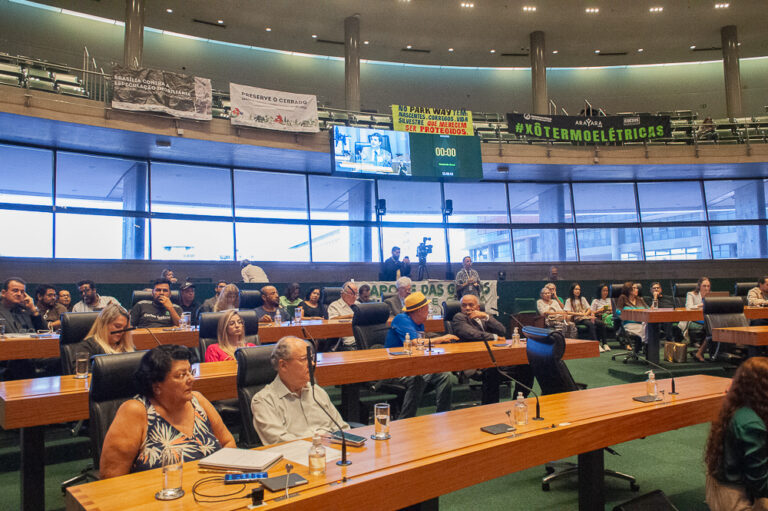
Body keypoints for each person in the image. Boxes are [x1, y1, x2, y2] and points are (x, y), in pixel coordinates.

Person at [99, 345, 236, 478]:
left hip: (209, 488)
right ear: (156, 386)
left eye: (190, 372)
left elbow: (228, 442)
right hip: (158, 496)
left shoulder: (197, 400)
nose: (191, 379)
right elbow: (111, 477)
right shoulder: (135, 411)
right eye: (181, 375)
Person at [251, 336, 349, 445]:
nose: (312, 364)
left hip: (333, 452)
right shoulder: (264, 401)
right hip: (298, 457)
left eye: (311, 357)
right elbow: (280, 442)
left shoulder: (316, 392)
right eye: (304, 359)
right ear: (283, 365)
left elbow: (343, 428)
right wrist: (317, 442)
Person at [704, 357, 768, 510]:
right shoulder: (751, 424)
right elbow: (759, 482)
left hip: (721, 487)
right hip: (737, 498)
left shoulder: (737, 406)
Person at [384, 292, 457, 418]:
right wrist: (441, 339)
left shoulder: (419, 323)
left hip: (413, 364)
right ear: (419, 310)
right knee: (419, 377)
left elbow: (421, 344)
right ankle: (406, 419)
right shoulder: (401, 319)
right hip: (395, 367)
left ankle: (443, 415)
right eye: (427, 308)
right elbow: (414, 343)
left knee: (446, 376)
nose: (428, 311)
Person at [452, 294, 534, 403]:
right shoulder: (459, 317)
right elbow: (471, 334)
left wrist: (486, 317)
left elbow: (502, 330)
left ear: (478, 306)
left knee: (526, 367)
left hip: (494, 358)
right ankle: (490, 407)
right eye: (464, 305)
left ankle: (517, 402)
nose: (467, 308)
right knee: (492, 370)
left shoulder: (484, 316)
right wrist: (494, 337)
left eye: (471, 305)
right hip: (475, 362)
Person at [72, 304, 135, 372]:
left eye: (125, 328)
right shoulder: (87, 347)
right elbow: (82, 374)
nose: (122, 332)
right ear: (104, 324)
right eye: (117, 326)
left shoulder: (127, 348)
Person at [563, 282, 600, 349]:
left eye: (579, 289)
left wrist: (586, 313)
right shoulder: (569, 300)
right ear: (572, 290)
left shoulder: (582, 299)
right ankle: (595, 344)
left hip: (585, 317)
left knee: (601, 323)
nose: (578, 291)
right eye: (576, 289)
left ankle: (605, 343)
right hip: (577, 319)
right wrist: (579, 314)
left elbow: (589, 309)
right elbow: (567, 312)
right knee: (590, 324)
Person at [616, 281, 648, 351]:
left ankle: (647, 350)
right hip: (629, 324)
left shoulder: (639, 299)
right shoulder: (623, 298)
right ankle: (643, 348)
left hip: (641, 323)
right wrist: (626, 314)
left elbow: (648, 309)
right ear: (629, 289)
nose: (637, 290)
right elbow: (618, 311)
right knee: (645, 332)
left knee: (649, 330)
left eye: (637, 288)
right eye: (634, 288)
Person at [326, 281, 359, 350]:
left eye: (356, 294)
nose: (355, 297)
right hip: (348, 342)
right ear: (343, 293)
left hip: (362, 338)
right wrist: (350, 316)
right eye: (352, 294)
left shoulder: (358, 304)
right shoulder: (334, 305)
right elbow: (332, 320)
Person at [688, 277, 712, 362]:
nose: (706, 288)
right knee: (711, 327)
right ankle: (700, 352)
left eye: (708, 286)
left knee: (714, 326)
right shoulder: (691, 294)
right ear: (699, 286)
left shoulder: (712, 296)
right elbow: (689, 307)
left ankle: (705, 351)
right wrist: (700, 305)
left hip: (708, 319)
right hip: (693, 319)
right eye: (704, 286)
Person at [590, 283, 613, 350]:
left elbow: (613, 309)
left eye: (607, 290)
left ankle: (627, 343)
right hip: (600, 317)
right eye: (604, 290)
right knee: (601, 323)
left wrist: (609, 309)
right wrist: (600, 310)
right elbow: (592, 312)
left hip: (610, 316)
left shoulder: (610, 300)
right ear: (600, 291)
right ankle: (604, 343)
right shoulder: (596, 301)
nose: (606, 292)